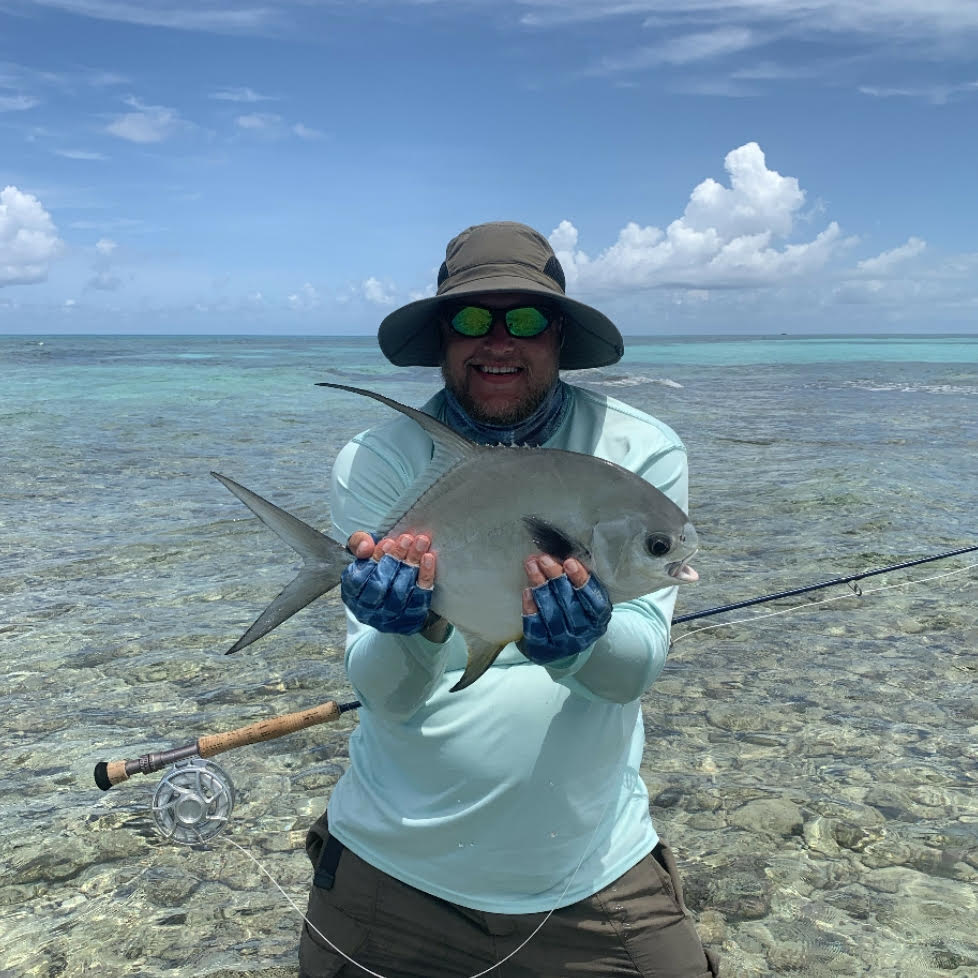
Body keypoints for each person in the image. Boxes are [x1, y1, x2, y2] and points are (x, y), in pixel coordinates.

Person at [299, 222, 719, 978]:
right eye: (470, 319)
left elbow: (632, 674)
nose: (498, 341)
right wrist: (411, 629)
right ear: (441, 336)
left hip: (595, 872)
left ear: (558, 334)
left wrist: (586, 641)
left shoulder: (638, 449)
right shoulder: (377, 458)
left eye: (523, 319)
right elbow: (385, 695)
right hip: (393, 872)